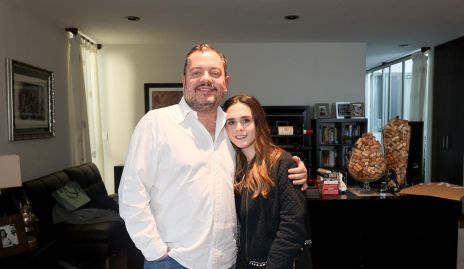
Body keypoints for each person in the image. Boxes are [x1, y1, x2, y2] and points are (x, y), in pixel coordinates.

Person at [118, 43, 308, 269]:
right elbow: (131, 195)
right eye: (196, 72)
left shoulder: (232, 131)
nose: (206, 79)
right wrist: (155, 251)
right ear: (184, 80)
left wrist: (294, 171)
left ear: (226, 82)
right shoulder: (156, 124)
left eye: (214, 73)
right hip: (174, 261)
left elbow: (261, 165)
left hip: (228, 262)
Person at [223, 95, 312, 269]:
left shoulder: (282, 163)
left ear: (258, 123)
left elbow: (292, 226)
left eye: (246, 120)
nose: (238, 128)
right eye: (231, 122)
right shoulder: (234, 166)